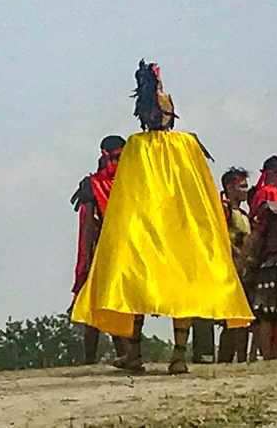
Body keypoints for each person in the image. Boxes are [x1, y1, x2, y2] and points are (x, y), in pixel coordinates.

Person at [70, 61, 253, 375]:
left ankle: (136, 354)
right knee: (180, 289)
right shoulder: (186, 145)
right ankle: (177, 357)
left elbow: (126, 199)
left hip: (146, 230)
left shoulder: (138, 146)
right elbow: (203, 193)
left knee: (137, 286)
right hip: (180, 230)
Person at [70, 136, 125, 365]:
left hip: (127, 248)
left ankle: (127, 354)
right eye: (115, 157)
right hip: (101, 249)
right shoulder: (92, 185)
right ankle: (90, 359)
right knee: (96, 302)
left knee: (120, 304)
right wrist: (88, 260)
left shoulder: (131, 180)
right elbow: (87, 226)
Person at [245, 156, 277, 360]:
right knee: (267, 310)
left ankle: (271, 353)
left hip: (273, 257)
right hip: (271, 258)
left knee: (270, 310)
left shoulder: (268, 193)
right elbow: (258, 230)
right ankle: (269, 353)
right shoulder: (269, 193)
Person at [217, 167, 252, 364]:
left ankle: (241, 359)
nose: (246, 190)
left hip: (244, 270)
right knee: (230, 318)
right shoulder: (224, 210)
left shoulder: (244, 214)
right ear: (230, 188)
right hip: (230, 269)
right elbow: (221, 237)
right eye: (242, 186)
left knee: (242, 319)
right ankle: (225, 359)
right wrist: (239, 255)